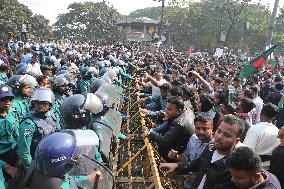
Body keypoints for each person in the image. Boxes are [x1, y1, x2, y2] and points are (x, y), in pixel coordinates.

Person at [160, 114, 245, 189]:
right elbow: (198, 162)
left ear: (236, 141)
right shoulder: (211, 147)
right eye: (219, 131)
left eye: (226, 135)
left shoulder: (232, 167)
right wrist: (176, 165)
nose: (219, 137)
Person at [167, 115, 213, 189]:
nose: (201, 132)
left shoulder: (215, 147)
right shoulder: (193, 138)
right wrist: (177, 156)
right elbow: (187, 157)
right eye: (198, 128)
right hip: (186, 183)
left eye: (205, 129)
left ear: (212, 129)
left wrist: (199, 177)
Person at [143, 96, 194, 161]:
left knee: (161, 147)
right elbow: (166, 123)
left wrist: (150, 132)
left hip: (178, 150)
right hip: (178, 141)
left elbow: (164, 141)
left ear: (179, 111)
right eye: (166, 108)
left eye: (169, 109)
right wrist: (153, 130)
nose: (166, 111)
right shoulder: (186, 110)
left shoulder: (179, 124)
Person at [18, 87, 57, 169]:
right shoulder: (28, 124)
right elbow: (24, 153)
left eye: (44, 103)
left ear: (50, 105)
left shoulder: (52, 118)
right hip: (36, 164)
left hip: (51, 159)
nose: (40, 105)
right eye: (37, 102)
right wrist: (34, 169)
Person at [243, 103, 280, 170]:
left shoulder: (255, 129)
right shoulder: (277, 131)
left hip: (254, 168)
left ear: (261, 114)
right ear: (274, 117)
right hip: (270, 168)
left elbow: (246, 151)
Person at [0, 85, 19, 181]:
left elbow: (17, 135)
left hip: (13, 153)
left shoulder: (12, 113)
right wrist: (5, 166)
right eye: (3, 99)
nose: (8, 101)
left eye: (10, 99)